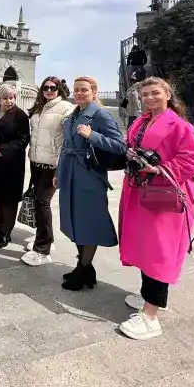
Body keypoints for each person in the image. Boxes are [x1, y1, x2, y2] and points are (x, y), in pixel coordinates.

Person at [118, 77, 194, 340]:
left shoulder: (180, 126)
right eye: (145, 94)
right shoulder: (141, 122)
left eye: (155, 93)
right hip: (140, 192)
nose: (150, 98)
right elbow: (132, 146)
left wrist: (157, 168)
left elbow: (192, 160)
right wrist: (131, 154)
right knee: (146, 247)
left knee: (159, 251)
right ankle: (150, 296)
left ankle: (150, 316)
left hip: (163, 197)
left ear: (167, 94)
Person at [55, 75, 126, 291]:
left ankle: (83, 269)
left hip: (89, 175)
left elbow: (120, 146)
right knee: (75, 220)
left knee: (89, 223)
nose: (79, 93)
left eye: (84, 90)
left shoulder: (100, 114)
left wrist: (92, 135)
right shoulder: (72, 115)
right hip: (70, 173)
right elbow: (65, 147)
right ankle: (85, 268)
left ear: (94, 92)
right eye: (76, 89)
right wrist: (58, 172)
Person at [22, 76, 74, 266]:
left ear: (59, 89)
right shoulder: (39, 107)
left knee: (42, 202)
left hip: (52, 164)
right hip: (36, 162)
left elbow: (67, 140)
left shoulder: (66, 108)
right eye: (46, 87)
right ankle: (43, 236)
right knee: (37, 201)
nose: (49, 91)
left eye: (53, 87)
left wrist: (60, 167)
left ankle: (43, 249)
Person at [0, 83, 31, 248]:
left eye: (11, 98)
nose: (9, 101)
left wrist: (2, 150)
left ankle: (6, 233)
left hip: (11, 165)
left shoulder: (20, 116)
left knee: (9, 200)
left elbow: (23, 140)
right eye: (5, 98)